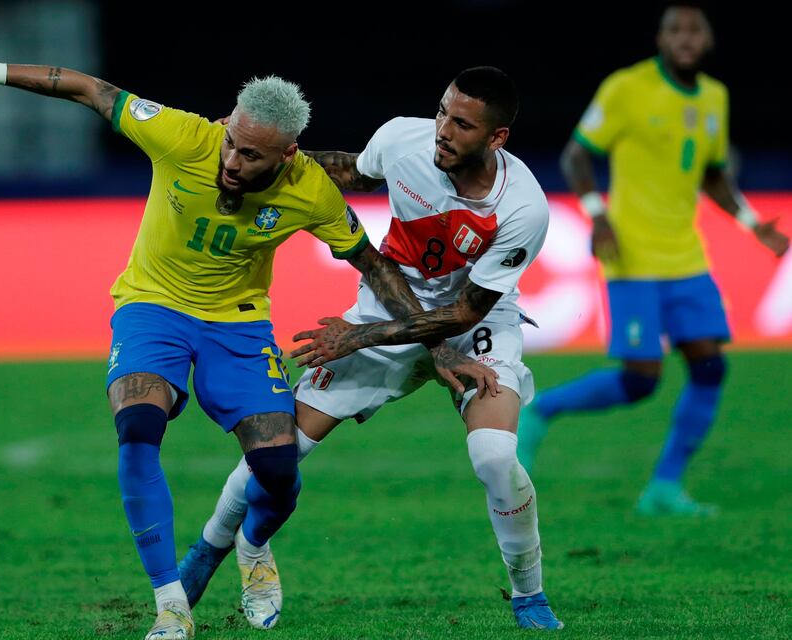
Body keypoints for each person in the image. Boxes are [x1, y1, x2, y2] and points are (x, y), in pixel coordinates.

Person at [0, 44, 495, 640]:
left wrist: (439, 346)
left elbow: (373, 265)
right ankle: (171, 605)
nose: (233, 161)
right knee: (138, 426)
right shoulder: (183, 136)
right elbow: (89, 88)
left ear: (288, 155)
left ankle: (254, 549)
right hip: (152, 306)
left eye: (251, 155)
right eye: (231, 143)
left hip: (238, 323)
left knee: (277, 468)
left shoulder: (310, 190)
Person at [180, 67, 564, 631]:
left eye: (461, 124)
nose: (442, 131)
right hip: (390, 306)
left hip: (468, 322)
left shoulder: (522, 209)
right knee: (281, 449)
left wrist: (356, 335)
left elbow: (463, 313)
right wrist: (271, 151)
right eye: (441, 112)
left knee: (495, 458)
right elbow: (348, 172)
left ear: (496, 138)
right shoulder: (402, 138)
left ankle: (529, 595)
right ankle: (210, 552)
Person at [516, 5, 789, 516]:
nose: (686, 38)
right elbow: (577, 154)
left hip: (686, 257)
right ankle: (541, 411)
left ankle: (664, 488)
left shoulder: (715, 96)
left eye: (695, 29)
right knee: (642, 378)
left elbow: (711, 173)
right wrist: (597, 214)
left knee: (710, 367)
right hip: (633, 257)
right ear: (662, 39)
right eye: (675, 29)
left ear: (707, 40)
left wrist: (753, 224)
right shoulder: (627, 87)